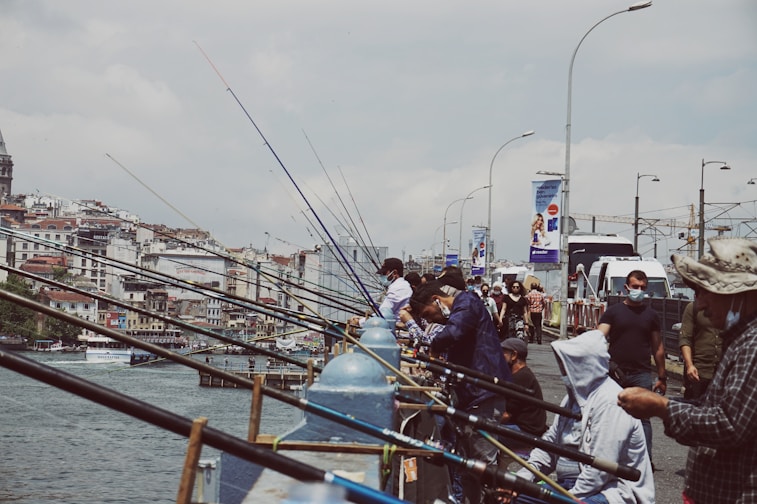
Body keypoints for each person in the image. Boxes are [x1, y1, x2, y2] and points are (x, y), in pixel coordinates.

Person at [618, 238, 757, 504]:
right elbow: (711, 408)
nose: (701, 304)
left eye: (707, 292)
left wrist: (662, 407)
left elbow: (728, 424)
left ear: (738, 295)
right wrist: (666, 405)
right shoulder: (740, 340)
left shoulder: (752, 345)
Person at [514, 330, 654, 504]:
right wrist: (519, 481)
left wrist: (567, 498)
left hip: (610, 490)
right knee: (511, 496)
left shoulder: (611, 402)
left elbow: (600, 472)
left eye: (566, 364)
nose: (562, 370)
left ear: (582, 365)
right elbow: (549, 446)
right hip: (570, 485)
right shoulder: (572, 398)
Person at [409, 280, 511, 503]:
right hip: (468, 395)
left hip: (484, 393)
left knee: (483, 461)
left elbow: (452, 333)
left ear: (437, 300)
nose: (430, 320)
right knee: (466, 464)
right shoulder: (458, 310)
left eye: (428, 314)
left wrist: (435, 348)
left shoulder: (466, 302)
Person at [597, 269, 666, 462]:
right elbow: (599, 336)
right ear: (626, 287)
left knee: (643, 419)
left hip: (641, 373)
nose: (639, 290)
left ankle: (645, 460)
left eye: (643, 287)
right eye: (635, 286)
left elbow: (657, 347)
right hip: (615, 372)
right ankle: (608, 458)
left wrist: (662, 376)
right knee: (610, 414)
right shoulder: (613, 312)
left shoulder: (651, 315)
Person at [498, 338, 547, 467]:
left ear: (514, 355)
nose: (499, 356)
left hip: (527, 430)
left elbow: (507, 414)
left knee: (485, 435)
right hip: (522, 426)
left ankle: (493, 475)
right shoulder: (517, 375)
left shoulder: (521, 377)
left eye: (503, 353)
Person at [348, 257, 412, 328]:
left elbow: (383, 314)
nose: (382, 275)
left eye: (384, 273)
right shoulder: (400, 286)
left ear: (394, 273)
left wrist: (359, 322)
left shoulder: (399, 288)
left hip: (396, 328)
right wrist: (362, 319)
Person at [678, 300, 721, 399]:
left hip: (722, 374)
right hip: (698, 373)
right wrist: (689, 365)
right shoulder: (693, 308)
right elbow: (685, 339)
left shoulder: (730, 308)